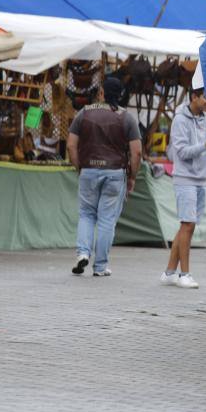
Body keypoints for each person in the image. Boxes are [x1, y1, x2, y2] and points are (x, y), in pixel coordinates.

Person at [68, 77, 141, 277]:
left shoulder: (84, 113)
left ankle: (82, 253)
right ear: (120, 96)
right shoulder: (127, 118)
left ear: (101, 93)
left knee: (86, 214)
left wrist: (79, 168)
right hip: (115, 173)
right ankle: (100, 267)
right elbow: (136, 153)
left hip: (88, 171)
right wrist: (132, 177)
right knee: (107, 220)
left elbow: (71, 145)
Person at [161, 87, 206, 289]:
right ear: (194, 97)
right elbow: (181, 152)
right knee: (187, 224)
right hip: (185, 179)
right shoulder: (180, 120)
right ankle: (184, 274)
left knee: (188, 225)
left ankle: (169, 273)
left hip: (202, 178)